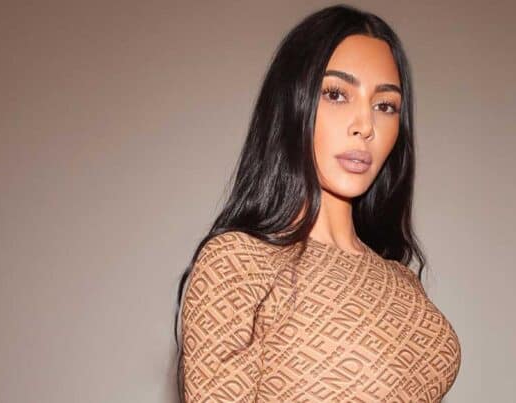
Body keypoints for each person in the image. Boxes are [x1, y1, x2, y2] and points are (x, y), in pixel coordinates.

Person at [173, 4, 461, 402]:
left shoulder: (402, 281)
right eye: (336, 94)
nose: (365, 126)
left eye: (385, 106)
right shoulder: (238, 263)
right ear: (294, 104)